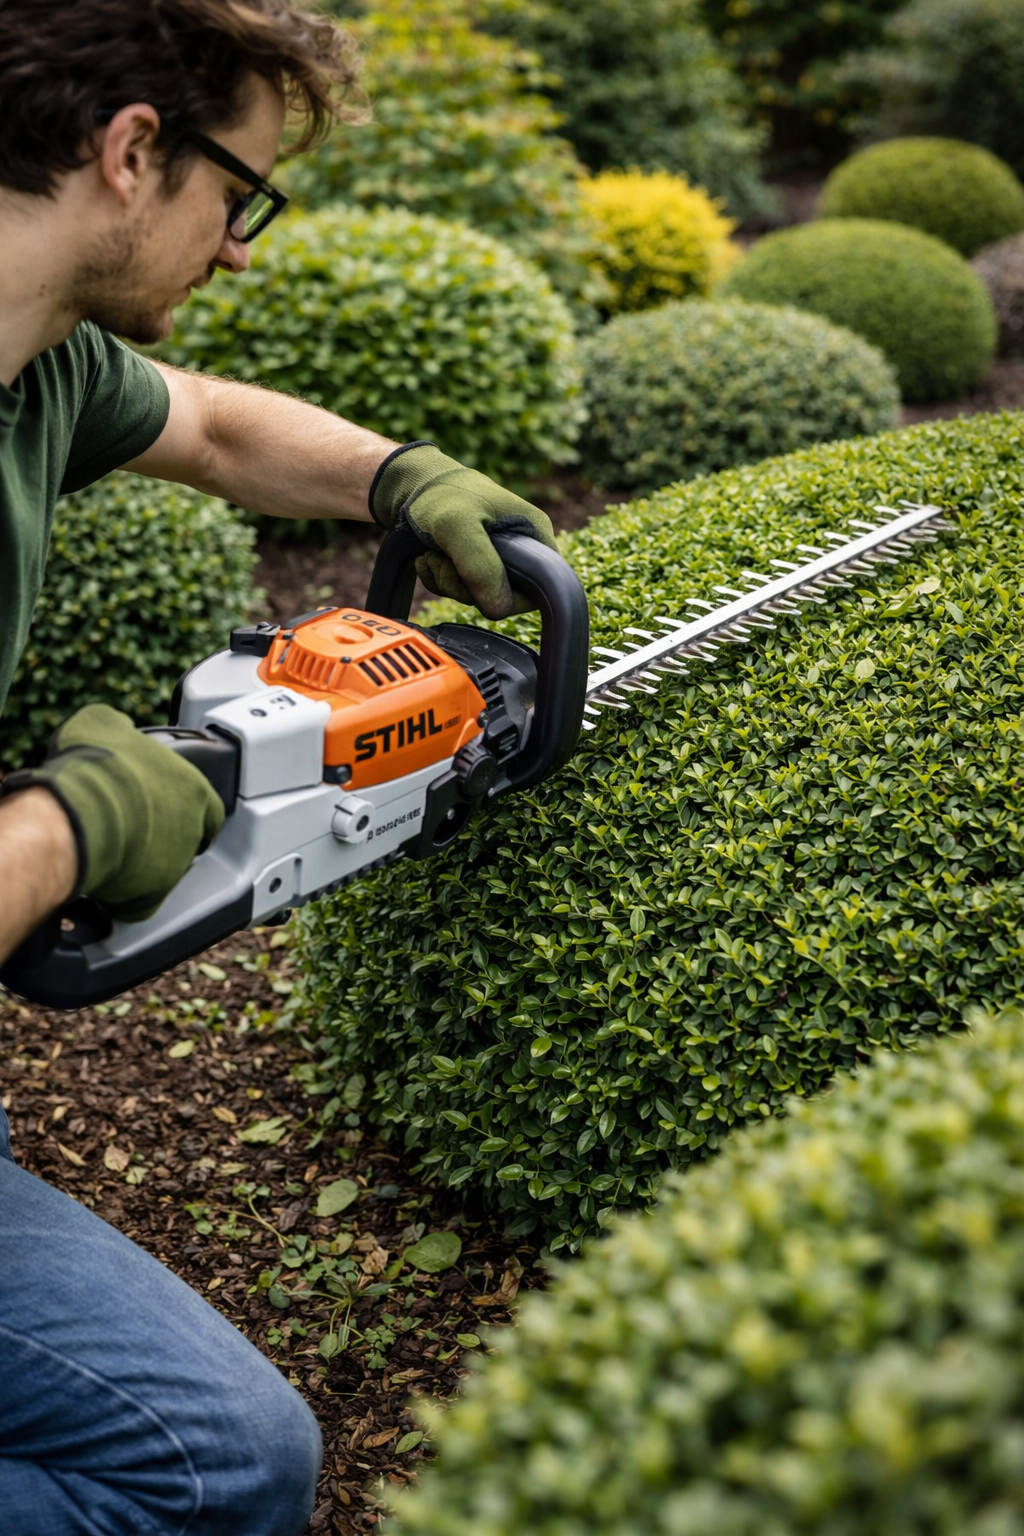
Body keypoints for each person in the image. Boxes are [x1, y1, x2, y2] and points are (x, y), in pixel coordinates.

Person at [0, 1, 559, 1529]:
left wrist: (401, 477)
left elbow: (215, 425)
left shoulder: (38, 367)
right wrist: (62, 828)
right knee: (220, 1467)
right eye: (238, 193)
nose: (241, 246)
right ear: (130, 153)